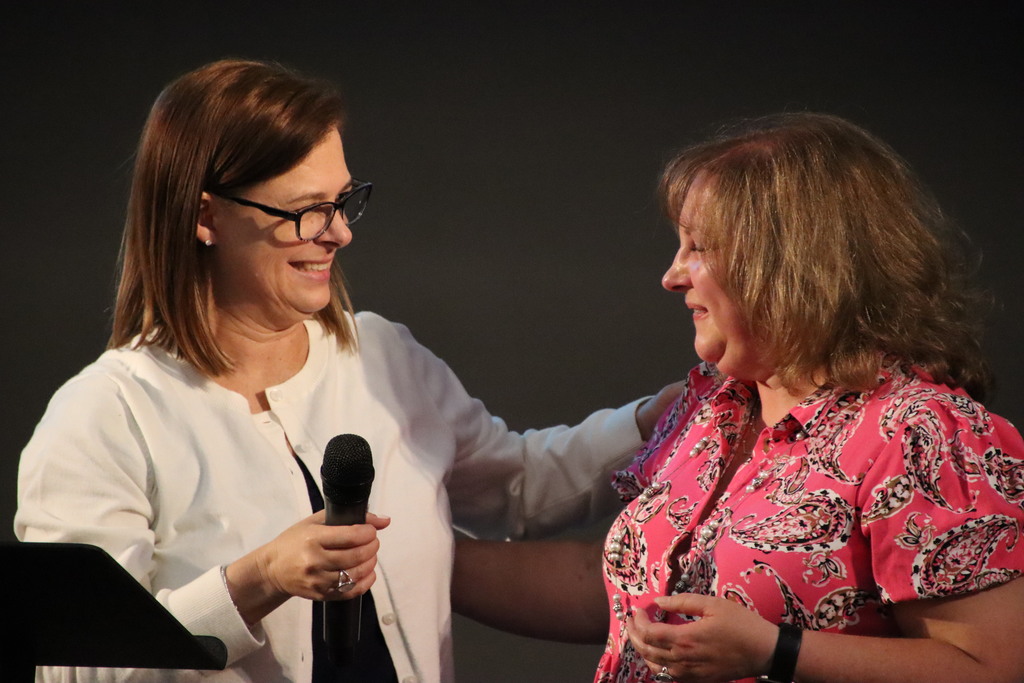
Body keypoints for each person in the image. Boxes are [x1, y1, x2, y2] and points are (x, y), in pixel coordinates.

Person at [14, 59, 679, 683]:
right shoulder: (106, 416)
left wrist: (660, 418)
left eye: (344, 201)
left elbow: (523, 487)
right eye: (306, 210)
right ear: (205, 215)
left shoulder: (381, 357)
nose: (339, 234)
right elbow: (71, 665)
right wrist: (256, 578)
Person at [452, 113, 1024, 683]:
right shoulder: (712, 404)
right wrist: (411, 560)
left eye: (699, 247)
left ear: (793, 264)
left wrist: (779, 652)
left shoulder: (923, 433)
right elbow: (623, 586)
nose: (672, 276)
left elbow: (992, 667)